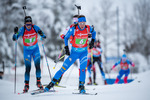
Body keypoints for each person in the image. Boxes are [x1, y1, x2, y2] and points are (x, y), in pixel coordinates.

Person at [45, 15, 96, 93]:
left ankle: (81, 86)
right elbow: (65, 37)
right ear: (78, 23)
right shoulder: (73, 29)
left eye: (83, 23)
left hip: (83, 53)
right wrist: (66, 47)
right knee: (63, 68)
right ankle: (51, 84)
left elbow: (94, 32)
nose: (82, 25)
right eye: (81, 23)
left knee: (82, 69)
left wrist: (92, 41)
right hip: (74, 54)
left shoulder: (88, 28)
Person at [12, 16, 46, 92]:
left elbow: (44, 36)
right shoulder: (22, 29)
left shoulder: (35, 28)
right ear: (24, 24)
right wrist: (15, 33)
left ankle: (38, 82)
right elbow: (14, 38)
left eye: (30, 24)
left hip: (35, 50)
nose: (29, 26)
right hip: (27, 51)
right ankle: (26, 85)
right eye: (27, 24)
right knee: (28, 68)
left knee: (37, 66)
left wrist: (41, 33)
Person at [55, 15, 79, 85]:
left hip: (79, 48)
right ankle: (57, 80)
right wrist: (63, 36)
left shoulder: (81, 28)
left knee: (81, 65)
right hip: (71, 46)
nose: (75, 24)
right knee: (65, 64)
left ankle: (81, 83)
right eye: (74, 22)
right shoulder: (70, 27)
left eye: (76, 23)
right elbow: (63, 35)